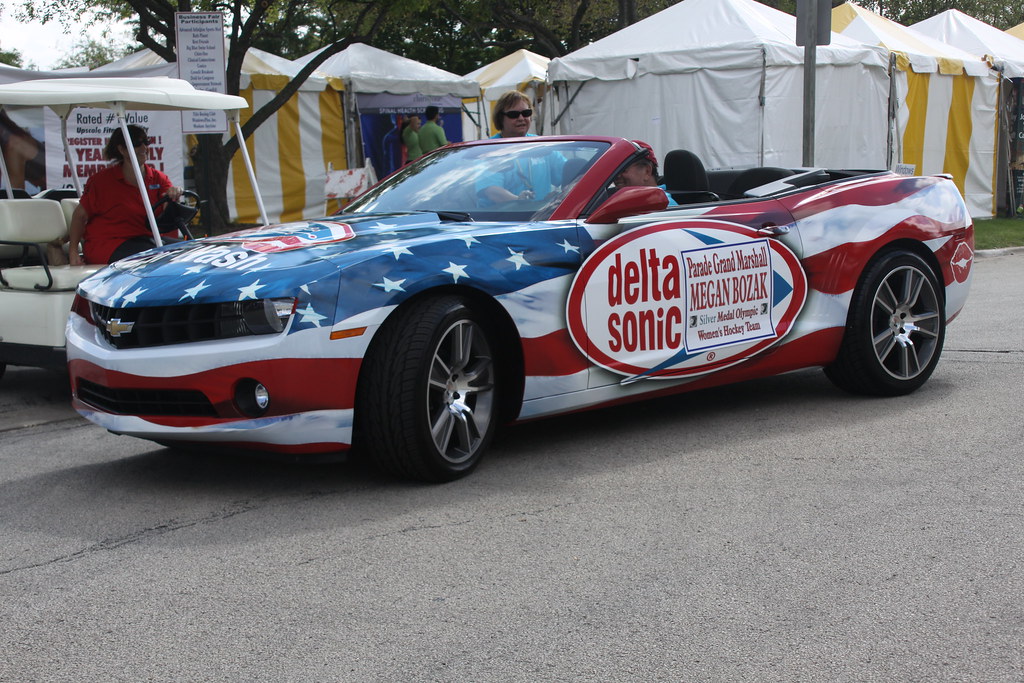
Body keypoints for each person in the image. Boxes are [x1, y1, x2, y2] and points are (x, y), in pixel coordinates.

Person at [68, 125, 183, 265]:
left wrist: (173, 195)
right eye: (136, 144)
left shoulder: (158, 178)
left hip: (146, 241)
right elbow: (79, 216)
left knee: (187, 250)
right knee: (154, 255)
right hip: (108, 244)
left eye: (146, 142)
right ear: (122, 149)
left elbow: (167, 209)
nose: (144, 148)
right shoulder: (101, 181)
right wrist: (73, 251)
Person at [613, 140, 678, 206]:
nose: (616, 175)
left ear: (647, 171)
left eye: (623, 169)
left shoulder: (663, 205)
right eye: (614, 170)